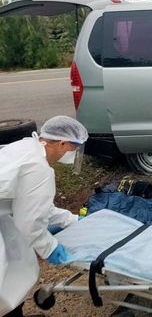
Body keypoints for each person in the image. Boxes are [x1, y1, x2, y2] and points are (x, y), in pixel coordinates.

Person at [0, 116, 88, 317]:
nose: (71, 156)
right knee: (6, 280)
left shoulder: (26, 147)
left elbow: (37, 207)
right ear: (63, 143)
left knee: (13, 271)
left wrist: (71, 220)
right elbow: (29, 222)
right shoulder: (38, 168)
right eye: (72, 150)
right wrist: (49, 247)